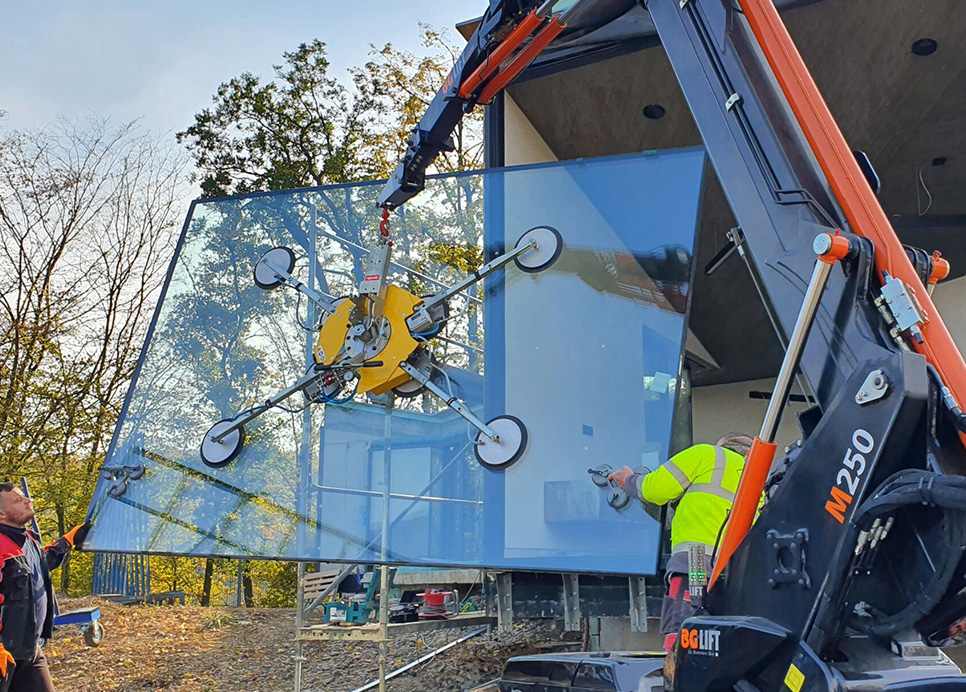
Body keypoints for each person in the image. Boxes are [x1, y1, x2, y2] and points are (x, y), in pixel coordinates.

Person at [609, 432, 754, 653]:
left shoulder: (707, 454)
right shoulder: (757, 477)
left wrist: (628, 481)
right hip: (733, 571)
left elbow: (655, 489)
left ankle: (676, 661)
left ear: (722, 444)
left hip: (696, 558)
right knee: (716, 636)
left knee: (685, 623)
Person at [0, 483, 90, 692]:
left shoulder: (29, 539)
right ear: (1, 514)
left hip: (29, 649)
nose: (28, 500)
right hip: (4, 653)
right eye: (18, 500)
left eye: (24, 497)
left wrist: (67, 541)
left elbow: (41, 564)